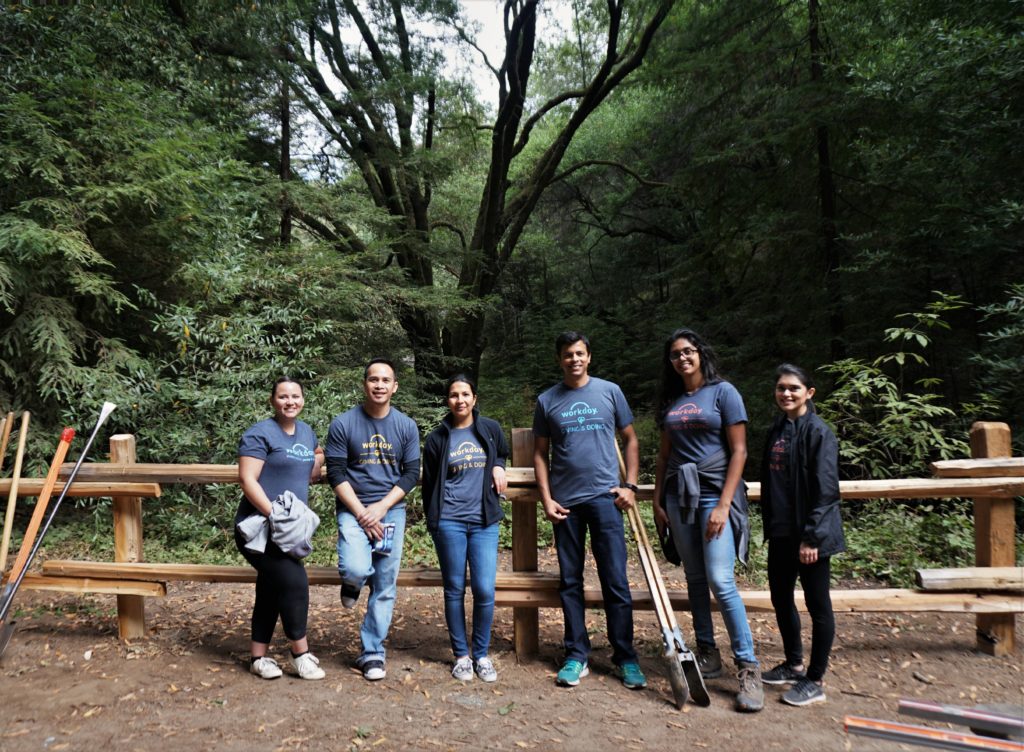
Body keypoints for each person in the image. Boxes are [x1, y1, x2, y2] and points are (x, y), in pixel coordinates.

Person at [652, 328, 764, 712]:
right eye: (675, 355)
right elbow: (665, 457)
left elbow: (739, 451)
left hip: (715, 493)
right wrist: (657, 500)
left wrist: (723, 505)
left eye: (688, 351)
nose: (682, 358)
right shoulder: (672, 401)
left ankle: (748, 665)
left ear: (700, 353)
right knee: (695, 578)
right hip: (678, 495)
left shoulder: (723, 393)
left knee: (720, 579)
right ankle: (707, 653)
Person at [533, 331, 647, 691]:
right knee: (570, 581)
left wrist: (630, 485)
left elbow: (630, 438)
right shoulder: (547, 400)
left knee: (615, 579)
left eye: (579, 353)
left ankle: (626, 657)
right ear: (560, 359)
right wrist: (546, 498)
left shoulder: (609, 391)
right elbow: (539, 453)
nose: (574, 359)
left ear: (589, 356)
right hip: (566, 502)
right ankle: (576, 655)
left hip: (605, 499)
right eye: (567, 354)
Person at [325, 358, 420, 681]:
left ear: (394, 386)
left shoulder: (406, 426)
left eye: (385, 380)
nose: (379, 385)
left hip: (390, 511)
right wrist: (363, 513)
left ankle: (372, 654)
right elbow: (335, 472)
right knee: (356, 568)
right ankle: (352, 583)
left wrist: (380, 508)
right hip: (353, 509)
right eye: (373, 379)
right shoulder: (343, 423)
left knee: (384, 585)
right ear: (364, 384)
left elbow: (411, 474)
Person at [759, 364, 845, 706]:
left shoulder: (819, 433)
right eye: (781, 388)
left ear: (809, 393)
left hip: (810, 535)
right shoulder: (777, 429)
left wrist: (812, 538)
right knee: (781, 598)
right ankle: (794, 663)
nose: (786, 394)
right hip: (781, 531)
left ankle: (815, 678)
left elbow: (827, 491)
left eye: (794, 388)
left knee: (818, 604)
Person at [236, 377, 326, 681]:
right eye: (284, 397)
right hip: (259, 528)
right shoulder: (259, 434)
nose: (291, 402)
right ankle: (300, 654)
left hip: (291, 530)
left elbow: (315, 452)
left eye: (296, 396)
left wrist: (317, 463)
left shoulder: (305, 431)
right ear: (273, 400)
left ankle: (258, 658)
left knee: (271, 589)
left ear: (303, 399)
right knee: (294, 583)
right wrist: (273, 513)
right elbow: (248, 480)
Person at [421, 375, 510, 682]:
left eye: (465, 394)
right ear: (448, 400)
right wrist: (434, 522)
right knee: (454, 589)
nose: (460, 400)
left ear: (474, 398)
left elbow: (501, 452)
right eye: (453, 395)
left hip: (484, 521)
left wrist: (498, 465)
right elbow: (430, 485)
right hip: (450, 522)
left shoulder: (490, 429)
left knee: (484, 589)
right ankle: (461, 656)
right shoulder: (437, 439)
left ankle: (481, 654)